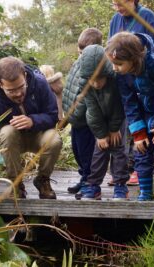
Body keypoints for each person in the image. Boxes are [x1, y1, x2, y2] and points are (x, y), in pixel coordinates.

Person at [0, 57, 62, 199]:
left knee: (54, 139)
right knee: (7, 131)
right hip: (13, 141)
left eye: (21, 87)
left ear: (25, 76)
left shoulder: (40, 83)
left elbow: (53, 115)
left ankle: (42, 180)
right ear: (0, 84)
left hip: (39, 136)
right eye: (11, 90)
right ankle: (16, 183)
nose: (18, 93)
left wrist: (33, 121)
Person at [105, 32, 154, 201]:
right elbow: (129, 102)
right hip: (144, 113)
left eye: (118, 64)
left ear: (133, 59)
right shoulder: (122, 75)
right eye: (113, 63)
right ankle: (146, 192)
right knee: (141, 150)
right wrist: (138, 133)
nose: (114, 68)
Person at [108, 0, 154, 186]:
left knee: (148, 119)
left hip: (147, 80)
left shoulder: (148, 17)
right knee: (131, 118)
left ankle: (142, 168)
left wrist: (141, 62)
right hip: (125, 79)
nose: (118, 8)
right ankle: (128, 168)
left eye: (121, 3)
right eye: (114, 4)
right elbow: (112, 48)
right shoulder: (115, 21)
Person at [75, 44, 129, 200]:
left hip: (118, 120)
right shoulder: (85, 83)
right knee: (99, 151)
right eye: (92, 80)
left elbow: (119, 107)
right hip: (99, 120)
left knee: (118, 150)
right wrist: (100, 134)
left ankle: (120, 185)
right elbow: (92, 109)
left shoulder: (116, 79)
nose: (96, 84)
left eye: (100, 79)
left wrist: (113, 129)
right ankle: (94, 186)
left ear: (106, 72)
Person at [62, 28, 103, 194]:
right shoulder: (78, 62)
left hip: (85, 119)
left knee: (87, 153)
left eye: (83, 53)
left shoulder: (94, 66)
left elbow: (88, 95)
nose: (80, 56)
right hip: (74, 118)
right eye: (79, 52)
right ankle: (83, 177)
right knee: (77, 151)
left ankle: (90, 181)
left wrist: (78, 112)